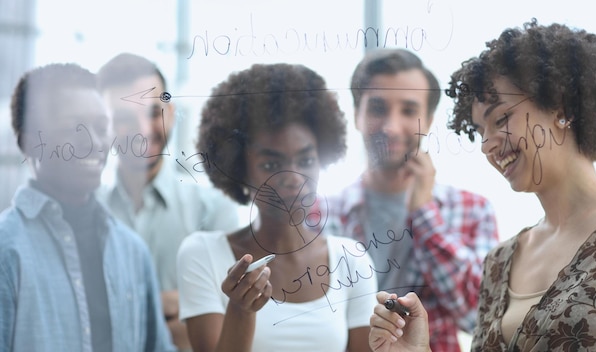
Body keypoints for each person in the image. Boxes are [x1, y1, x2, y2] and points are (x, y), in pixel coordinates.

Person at [369, 19, 596, 351]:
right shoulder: (499, 262)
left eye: (501, 119)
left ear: (562, 108)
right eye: (479, 131)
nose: (487, 145)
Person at [176, 63, 378, 352]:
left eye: (306, 161)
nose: (294, 179)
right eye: (271, 165)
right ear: (240, 172)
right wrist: (241, 310)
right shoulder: (203, 255)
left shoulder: (352, 260)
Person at [324, 48, 499, 351]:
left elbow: (478, 317)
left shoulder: (473, 210)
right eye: (378, 108)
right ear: (357, 115)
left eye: (408, 110)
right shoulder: (323, 215)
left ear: (429, 120)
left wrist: (424, 214)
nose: (391, 126)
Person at [0, 63, 174, 351]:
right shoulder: (7, 250)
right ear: (30, 144)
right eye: (73, 128)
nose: (93, 143)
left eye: (102, 127)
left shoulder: (132, 251)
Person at [96, 53, 240, 351]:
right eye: (123, 119)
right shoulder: (85, 214)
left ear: (171, 113)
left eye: (152, 113)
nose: (143, 130)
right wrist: (175, 305)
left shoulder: (214, 210)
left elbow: (232, 319)